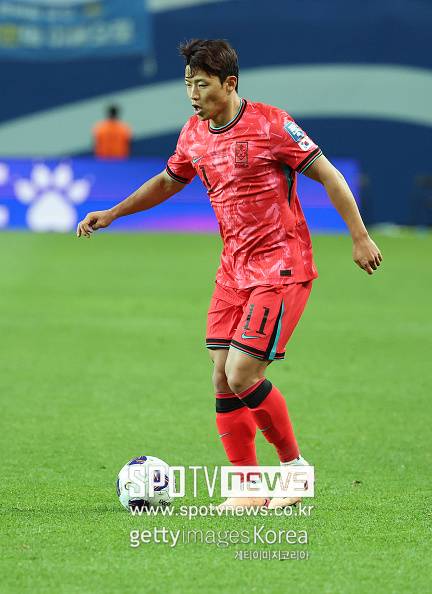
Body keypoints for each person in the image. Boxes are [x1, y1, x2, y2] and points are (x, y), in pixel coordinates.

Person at [77, 39, 382, 509]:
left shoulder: (272, 124)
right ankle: (247, 487)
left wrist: (359, 236)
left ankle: (296, 472)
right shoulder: (193, 134)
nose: (192, 95)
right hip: (233, 271)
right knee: (221, 377)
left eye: (202, 85)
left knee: (242, 373)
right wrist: (114, 212)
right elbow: (167, 181)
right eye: (188, 85)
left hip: (280, 266)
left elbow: (329, 174)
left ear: (229, 83)